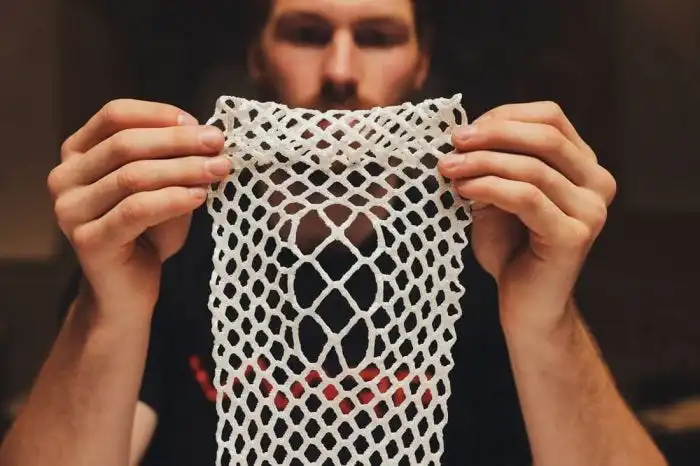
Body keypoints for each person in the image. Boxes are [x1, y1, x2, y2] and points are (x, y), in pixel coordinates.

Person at [0, 0, 667, 465]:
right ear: (258, 57)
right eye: (307, 33)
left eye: (377, 36)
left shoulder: (498, 246)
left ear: (421, 63)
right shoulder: (164, 245)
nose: (341, 72)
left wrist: (545, 320)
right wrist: (112, 306)